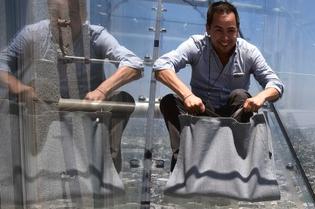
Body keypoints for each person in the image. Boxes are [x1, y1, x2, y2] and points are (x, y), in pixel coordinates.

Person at [0, 0, 143, 173]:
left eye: (70, 16)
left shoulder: (96, 36)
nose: (62, 23)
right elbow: (2, 63)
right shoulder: (33, 34)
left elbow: (134, 64)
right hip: (45, 106)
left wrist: (101, 91)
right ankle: (22, 165)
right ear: (48, 14)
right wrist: (20, 89)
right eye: (56, 16)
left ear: (83, 17)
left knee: (123, 100)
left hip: (89, 109)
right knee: (19, 100)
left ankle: (106, 169)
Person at [154, 1, 284, 172]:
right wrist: (187, 95)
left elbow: (276, 84)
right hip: (201, 113)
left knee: (240, 95)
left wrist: (260, 97)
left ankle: (240, 161)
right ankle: (183, 161)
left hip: (234, 118)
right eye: (218, 30)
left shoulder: (249, 52)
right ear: (208, 29)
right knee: (169, 101)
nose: (225, 38)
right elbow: (161, 66)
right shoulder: (196, 45)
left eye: (231, 31)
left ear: (237, 29)